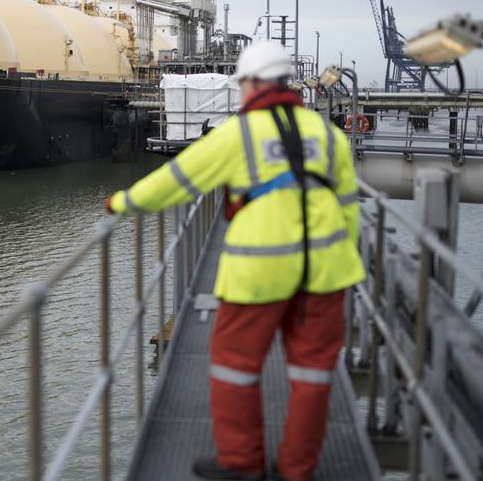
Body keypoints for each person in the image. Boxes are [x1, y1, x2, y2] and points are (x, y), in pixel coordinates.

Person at [105, 42, 364, 481]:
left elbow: (177, 181)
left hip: (258, 274)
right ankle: (297, 470)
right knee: (312, 376)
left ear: (250, 85)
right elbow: (348, 208)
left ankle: (243, 462)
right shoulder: (329, 135)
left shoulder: (238, 133)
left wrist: (122, 202)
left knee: (234, 366)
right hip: (327, 273)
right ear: (287, 83)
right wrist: (344, 266)